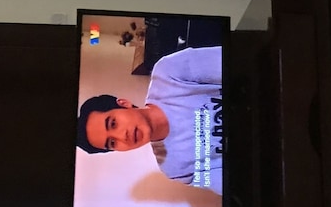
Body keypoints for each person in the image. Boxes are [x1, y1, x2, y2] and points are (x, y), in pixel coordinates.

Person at [76, 46, 223, 194]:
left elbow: (233, 64)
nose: (122, 136)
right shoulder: (175, 168)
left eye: (113, 124)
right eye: (112, 143)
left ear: (124, 103)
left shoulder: (168, 73)